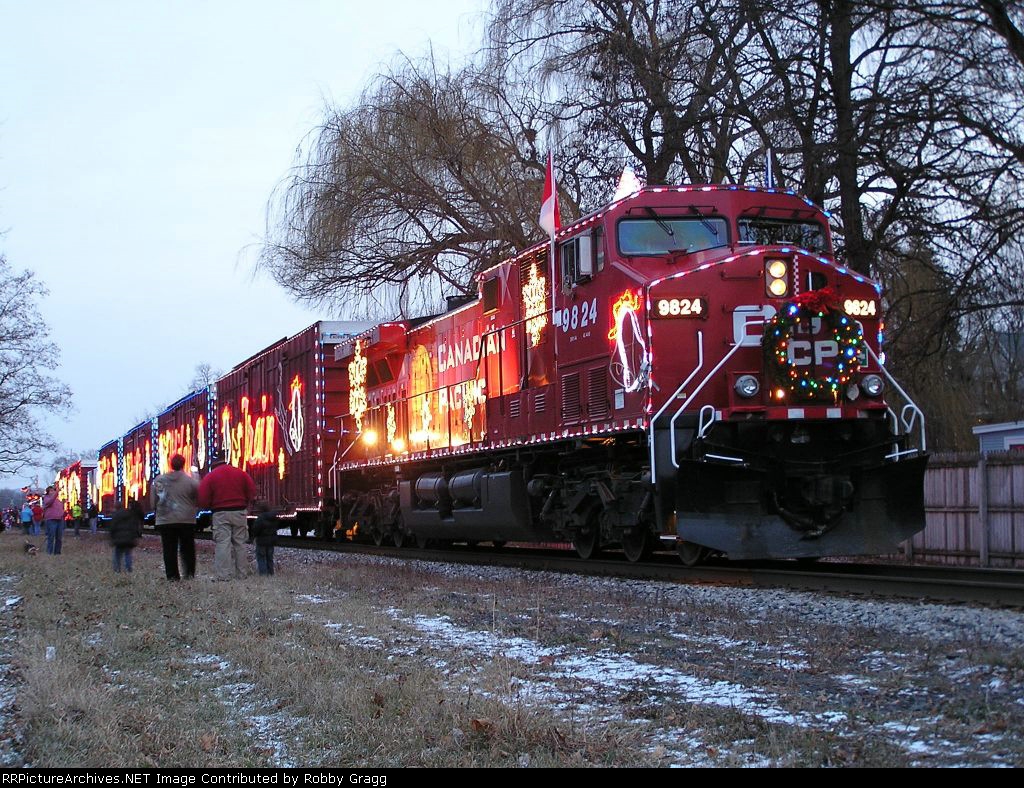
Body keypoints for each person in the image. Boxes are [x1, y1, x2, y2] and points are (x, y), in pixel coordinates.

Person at [197, 452, 256, 581]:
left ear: (214, 462)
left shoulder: (211, 477)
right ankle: (242, 574)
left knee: (223, 543)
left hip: (220, 513)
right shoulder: (240, 473)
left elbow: (202, 498)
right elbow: (252, 490)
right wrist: (246, 503)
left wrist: (208, 506)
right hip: (239, 511)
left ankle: (224, 576)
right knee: (240, 543)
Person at [152, 453, 200, 581]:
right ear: (184, 464)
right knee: (188, 548)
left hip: (165, 520)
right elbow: (198, 499)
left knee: (169, 549)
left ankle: (172, 576)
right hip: (186, 519)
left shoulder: (159, 480)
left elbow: (153, 501)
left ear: (171, 464)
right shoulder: (191, 481)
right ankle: (189, 574)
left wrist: (157, 511)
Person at [109, 501, 142, 573]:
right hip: (129, 539)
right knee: (128, 554)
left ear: (116, 507)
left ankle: (117, 570)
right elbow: (135, 526)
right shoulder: (130, 514)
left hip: (118, 539)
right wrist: (136, 537)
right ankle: (128, 569)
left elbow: (112, 528)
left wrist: (111, 538)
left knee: (117, 555)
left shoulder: (115, 515)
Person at [250, 500, 279, 576]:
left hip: (261, 541)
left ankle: (263, 574)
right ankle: (271, 573)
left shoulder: (260, 519)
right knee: (270, 558)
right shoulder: (274, 517)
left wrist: (254, 536)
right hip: (271, 541)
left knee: (261, 558)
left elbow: (256, 529)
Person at [41, 485, 65, 555]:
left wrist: (62, 513)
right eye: (51, 491)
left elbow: (61, 508)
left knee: (59, 538)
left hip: (59, 519)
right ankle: (49, 552)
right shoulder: (46, 498)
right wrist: (57, 492)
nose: (53, 492)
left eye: (53, 490)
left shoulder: (57, 500)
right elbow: (50, 502)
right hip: (51, 520)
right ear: (48, 492)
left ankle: (57, 552)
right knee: (51, 537)